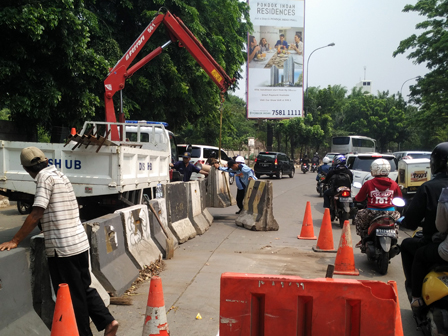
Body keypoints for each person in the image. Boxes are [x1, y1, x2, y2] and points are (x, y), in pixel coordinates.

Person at [0, 147, 118, 336]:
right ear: (45, 160)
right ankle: (108, 321)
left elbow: (37, 213)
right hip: (79, 243)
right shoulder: (59, 175)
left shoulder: (44, 179)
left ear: (27, 168)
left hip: (63, 249)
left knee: (70, 297)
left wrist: (15, 240)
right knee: (83, 288)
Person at [400, 142, 448, 309]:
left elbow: (439, 225)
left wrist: (405, 221)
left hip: (439, 245)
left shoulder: (431, 188)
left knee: (411, 247)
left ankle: (416, 295)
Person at [408, 186, 448, 313]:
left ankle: (416, 298)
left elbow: (441, 227)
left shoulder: (445, 193)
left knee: (420, 254)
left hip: (445, 251)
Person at [353, 159, 402, 247]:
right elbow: (399, 198)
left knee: (359, 216)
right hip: (390, 213)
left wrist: (355, 199)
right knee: (397, 221)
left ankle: (363, 238)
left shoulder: (368, 183)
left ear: (374, 170)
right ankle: (395, 237)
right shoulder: (394, 184)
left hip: (372, 213)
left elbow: (360, 198)